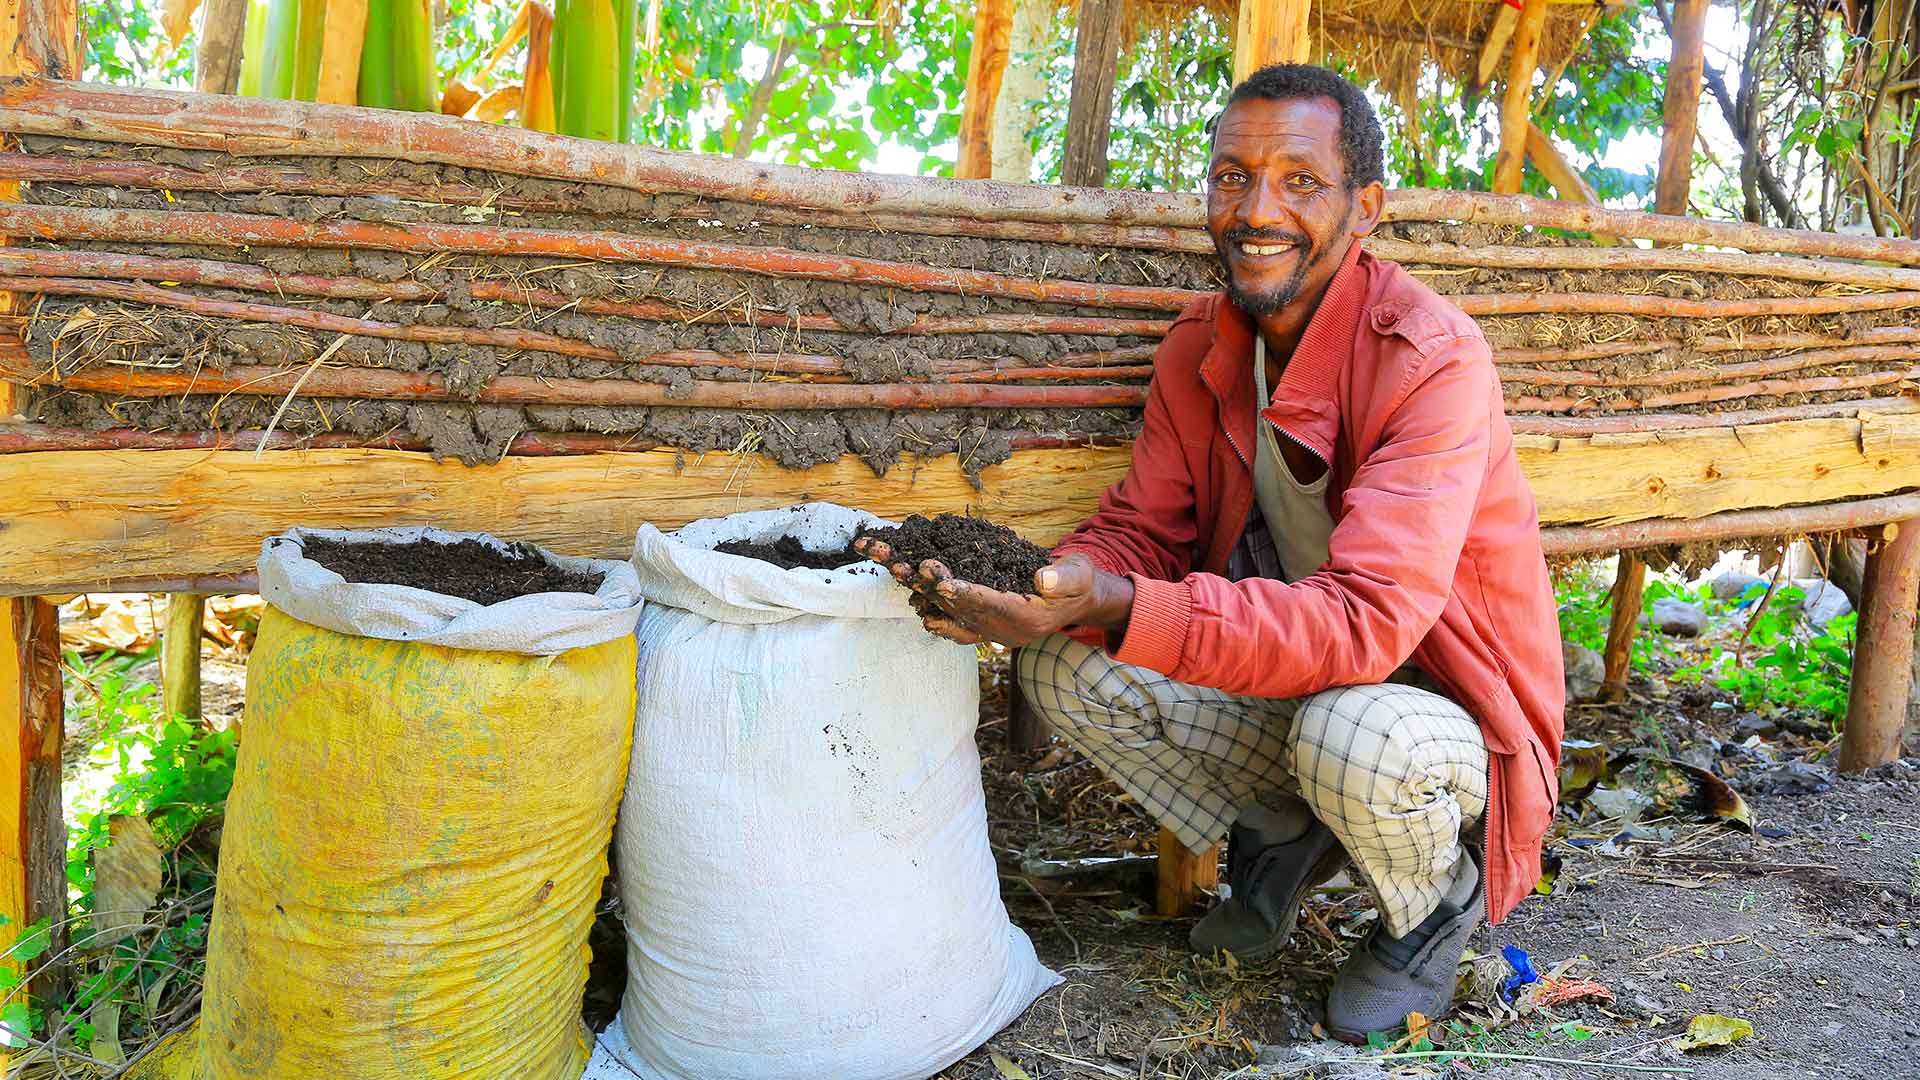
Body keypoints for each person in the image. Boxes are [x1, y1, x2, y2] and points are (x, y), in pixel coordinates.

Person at [856, 63, 1563, 1038]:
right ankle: (1283, 829)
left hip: (1446, 716)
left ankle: (1433, 907)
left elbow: (1368, 622)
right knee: (1059, 664)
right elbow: (1145, 531)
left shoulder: (1431, 359)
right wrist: (1051, 584)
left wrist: (1117, 602)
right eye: (1233, 177)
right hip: (1302, 686)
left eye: (1299, 182)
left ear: (1365, 208)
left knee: (1354, 735)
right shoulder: (1202, 345)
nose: (1257, 210)